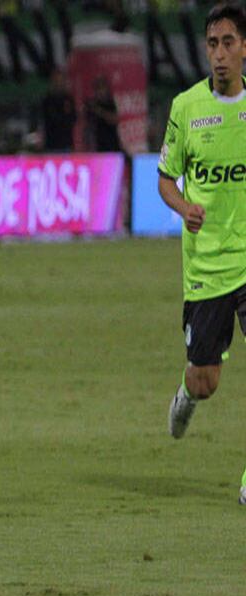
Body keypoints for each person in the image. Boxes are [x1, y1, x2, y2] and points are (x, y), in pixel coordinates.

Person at [158, 3, 246, 503]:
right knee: (207, 379)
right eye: (212, 44)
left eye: (228, 43)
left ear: (244, 48)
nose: (219, 54)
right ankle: (188, 394)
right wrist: (184, 206)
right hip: (208, 268)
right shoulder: (186, 108)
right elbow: (165, 179)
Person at [41, 68, 76, 152]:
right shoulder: (47, 100)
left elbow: (74, 118)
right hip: (51, 144)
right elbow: (50, 119)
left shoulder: (69, 99)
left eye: (61, 80)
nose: (59, 83)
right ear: (52, 82)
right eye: (56, 80)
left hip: (66, 144)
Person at [85, 75, 122, 152]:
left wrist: (98, 110)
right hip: (98, 147)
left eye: (102, 88)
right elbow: (88, 127)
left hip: (112, 145)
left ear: (107, 89)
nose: (100, 91)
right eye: (98, 89)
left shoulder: (111, 103)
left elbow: (114, 119)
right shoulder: (92, 104)